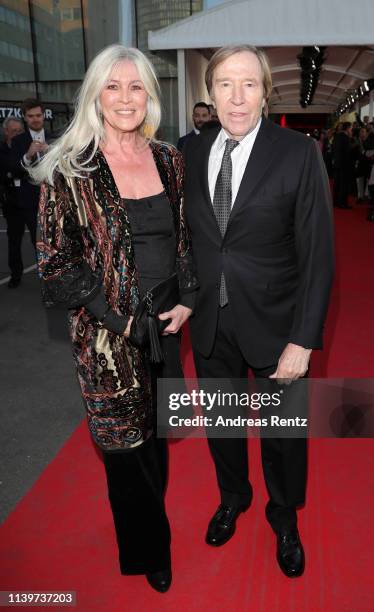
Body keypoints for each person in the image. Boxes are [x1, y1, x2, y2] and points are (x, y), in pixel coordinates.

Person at [32, 44, 198, 593]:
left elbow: (184, 239)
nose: (126, 98)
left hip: (166, 323)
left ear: (149, 94)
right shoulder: (70, 169)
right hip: (107, 337)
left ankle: (153, 529)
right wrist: (120, 321)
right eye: (113, 86)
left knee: (156, 434)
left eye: (136, 87)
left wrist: (188, 298)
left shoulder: (170, 158)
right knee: (123, 449)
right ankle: (151, 547)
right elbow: (58, 266)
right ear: (95, 95)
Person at [183, 45, 334, 578]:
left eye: (249, 84)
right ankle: (233, 497)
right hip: (210, 322)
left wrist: (304, 338)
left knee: (284, 434)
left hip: (278, 326)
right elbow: (184, 241)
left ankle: (285, 518)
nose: (237, 96)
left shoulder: (298, 152)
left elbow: (318, 254)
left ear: (266, 92)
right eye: (225, 83)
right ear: (211, 93)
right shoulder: (189, 151)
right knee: (222, 424)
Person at [9, 100, 52, 279]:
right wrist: (28, 156)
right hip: (28, 200)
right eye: (31, 116)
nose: (35, 119)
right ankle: (25, 276)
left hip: (53, 197)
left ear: (44, 116)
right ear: (25, 118)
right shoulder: (18, 140)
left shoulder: (55, 137)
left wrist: (52, 151)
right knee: (32, 240)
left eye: (38, 115)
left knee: (53, 240)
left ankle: (53, 275)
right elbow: (13, 169)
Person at [0, 117, 25, 287]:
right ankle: (15, 275)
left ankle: (47, 275)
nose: (16, 134)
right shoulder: (1, 150)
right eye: (13, 131)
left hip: (30, 200)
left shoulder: (27, 148)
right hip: (11, 202)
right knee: (14, 240)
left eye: (19, 131)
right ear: (6, 132)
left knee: (38, 240)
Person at [333, 121, 353, 209]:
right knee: (343, 184)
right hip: (344, 165)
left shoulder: (336, 136)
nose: (351, 130)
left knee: (337, 183)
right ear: (348, 128)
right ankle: (342, 203)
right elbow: (347, 153)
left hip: (337, 164)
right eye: (351, 128)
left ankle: (336, 201)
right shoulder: (345, 138)